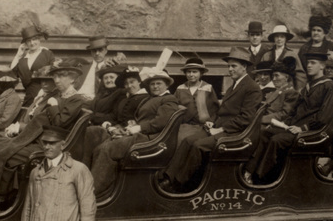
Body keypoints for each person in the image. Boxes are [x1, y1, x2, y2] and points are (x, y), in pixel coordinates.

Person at [0, 58, 88, 214]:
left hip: (51, 144)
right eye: (55, 76)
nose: (57, 80)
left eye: (62, 76)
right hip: (37, 137)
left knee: (4, 155)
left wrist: (54, 106)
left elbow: (60, 123)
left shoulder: (75, 99)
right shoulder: (57, 97)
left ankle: (0, 199)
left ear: (73, 79)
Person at [159, 47, 262, 192]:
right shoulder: (235, 85)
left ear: (244, 67)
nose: (230, 69)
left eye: (234, 66)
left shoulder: (252, 87)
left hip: (235, 133)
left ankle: (178, 184)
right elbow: (223, 112)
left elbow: (246, 118)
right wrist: (212, 122)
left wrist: (221, 129)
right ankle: (167, 177)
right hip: (219, 127)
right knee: (188, 140)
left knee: (198, 145)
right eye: (229, 66)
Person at [242, 52, 333, 184]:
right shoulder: (307, 88)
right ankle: (249, 171)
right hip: (296, 127)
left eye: (313, 63)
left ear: (322, 66)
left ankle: (262, 178)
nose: (308, 66)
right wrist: (284, 124)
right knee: (266, 132)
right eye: (308, 62)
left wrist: (303, 127)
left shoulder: (329, 86)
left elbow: (324, 116)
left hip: (314, 131)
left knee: (277, 140)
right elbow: (293, 112)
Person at [90, 68, 179, 195]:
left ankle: (94, 191)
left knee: (108, 149)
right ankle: (102, 188)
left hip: (152, 138)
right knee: (100, 147)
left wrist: (139, 127)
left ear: (166, 84)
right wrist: (133, 124)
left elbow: (161, 122)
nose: (155, 86)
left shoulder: (168, 99)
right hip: (141, 134)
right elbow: (143, 117)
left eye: (158, 83)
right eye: (152, 84)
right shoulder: (149, 99)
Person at [81, 66, 150, 168]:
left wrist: (127, 128)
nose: (129, 86)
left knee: (103, 148)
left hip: (134, 135)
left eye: (132, 82)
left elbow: (142, 121)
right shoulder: (124, 99)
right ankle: (84, 170)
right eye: (126, 83)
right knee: (92, 136)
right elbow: (118, 118)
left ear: (139, 82)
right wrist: (111, 126)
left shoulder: (146, 98)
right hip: (118, 130)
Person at [173, 57, 220, 145]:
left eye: (195, 72)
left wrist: (211, 121)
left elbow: (215, 109)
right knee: (180, 141)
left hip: (204, 126)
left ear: (201, 73)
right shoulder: (180, 89)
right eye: (188, 72)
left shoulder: (207, 88)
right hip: (184, 126)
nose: (191, 74)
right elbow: (174, 106)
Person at [5, 65, 60, 137]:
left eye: (48, 80)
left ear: (55, 81)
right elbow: (27, 115)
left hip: (37, 138)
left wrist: (19, 127)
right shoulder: (40, 97)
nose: (44, 83)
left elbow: (43, 126)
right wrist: (16, 125)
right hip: (25, 133)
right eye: (42, 80)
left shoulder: (55, 100)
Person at [10, 25, 55, 107]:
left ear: (39, 39)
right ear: (25, 43)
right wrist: (18, 55)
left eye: (34, 39)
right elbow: (12, 74)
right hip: (29, 98)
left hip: (45, 98)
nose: (32, 43)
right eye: (28, 41)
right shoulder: (23, 59)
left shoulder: (47, 54)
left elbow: (54, 74)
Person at [76, 35, 125, 100]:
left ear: (106, 51)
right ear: (91, 52)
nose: (97, 53)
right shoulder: (83, 67)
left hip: (97, 101)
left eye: (100, 50)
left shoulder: (110, 67)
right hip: (77, 99)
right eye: (94, 50)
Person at [262, 25, 307, 90]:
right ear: (273, 38)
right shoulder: (267, 55)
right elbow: (262, 73)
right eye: (277, 36)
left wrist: (298, 89)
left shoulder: (292, 54)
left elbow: (300, 74)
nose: (279, 39)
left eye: (282, 37)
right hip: (270, 87)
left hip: (287, 88)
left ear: (286, 39)